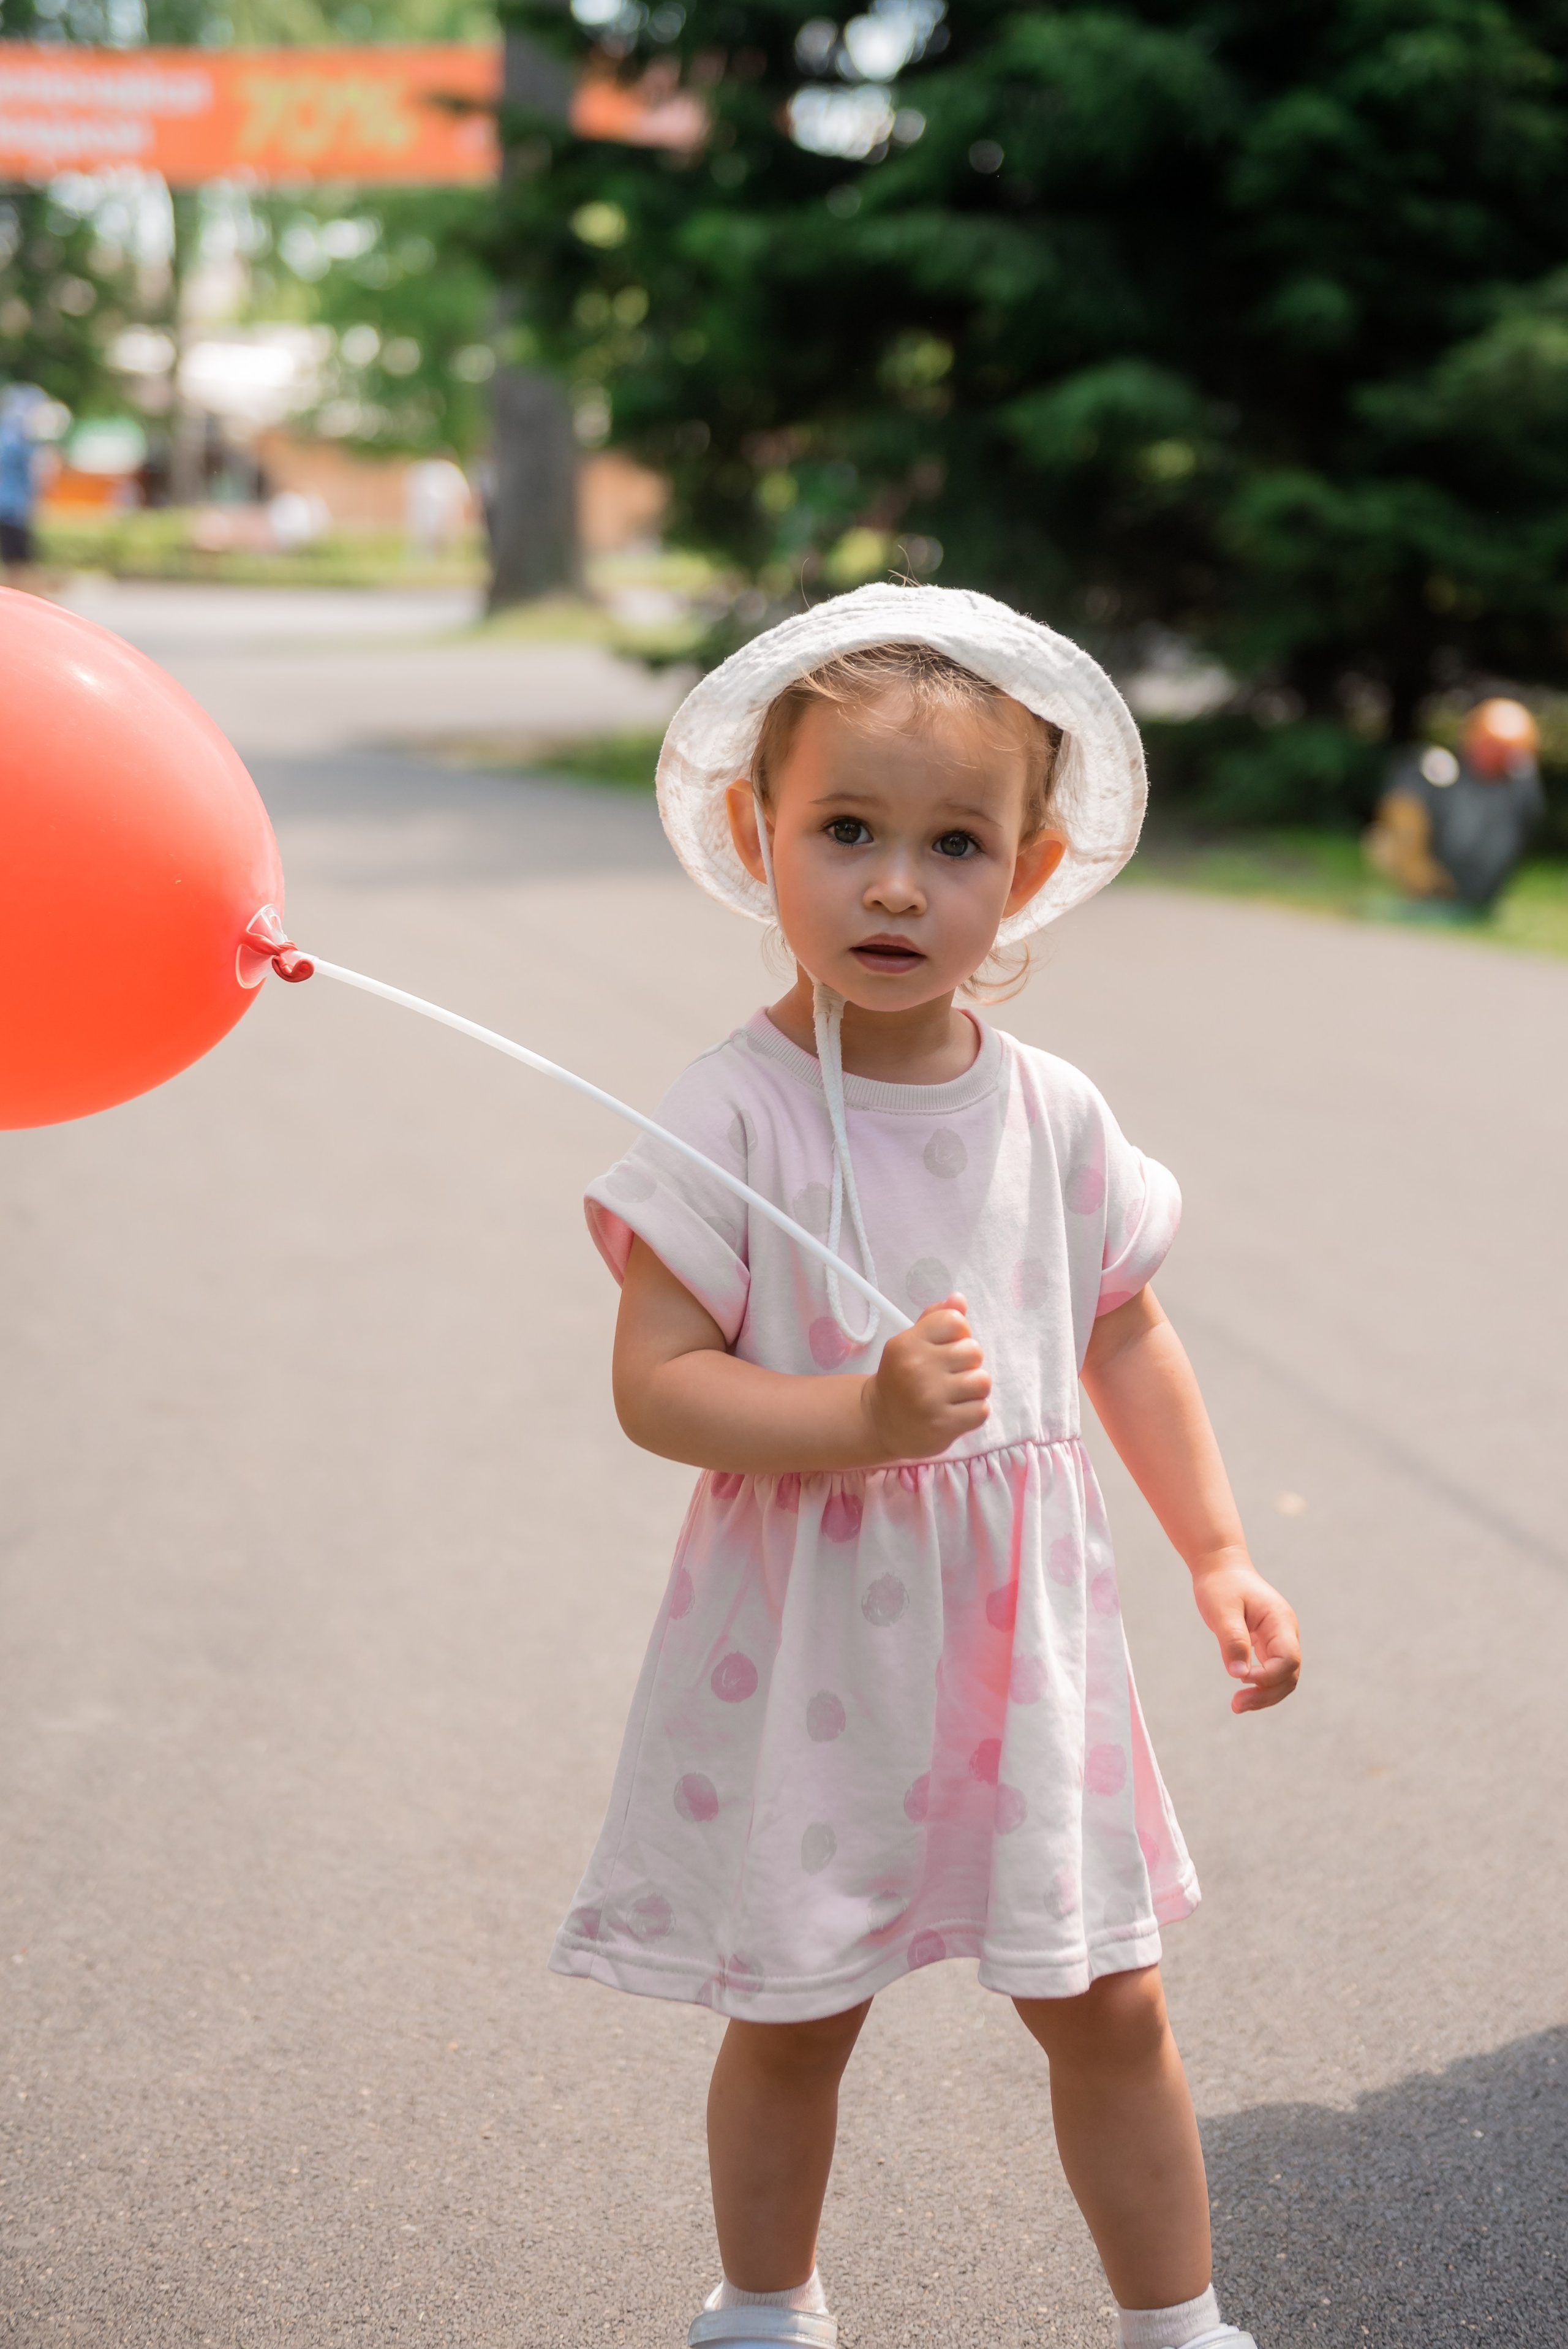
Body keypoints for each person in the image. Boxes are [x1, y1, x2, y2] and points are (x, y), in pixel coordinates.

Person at [551, 584, 1301, 2349]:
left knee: (1111, 1997)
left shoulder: (1054, 1113)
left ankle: (1177, 2321)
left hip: (1021, 1650)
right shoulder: (732, 1116)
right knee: (800, 2003)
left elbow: (1123, 1328)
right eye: (847, 831)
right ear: (761, 837)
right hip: (820, 1641)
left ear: (1028, 873)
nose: (897, 884)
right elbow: (658, 1385)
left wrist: (1214, 1547)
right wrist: (857, 1421)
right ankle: (763, 2300)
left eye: (954, 842)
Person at [1364, 698, 1544, 911]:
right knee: (1387, 830)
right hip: (1434, 877)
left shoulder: (1519, 791)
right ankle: (1425, 893)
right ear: (1472, 736)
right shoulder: (1442, 771)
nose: (1499, 753)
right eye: (1492, 743)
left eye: (1511, 749)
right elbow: (1401, 804)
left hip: (1479, 892)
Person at [0, 383, 42, 577]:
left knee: (15, 561)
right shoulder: (18, 437)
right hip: (14, 509)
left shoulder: (8, 432)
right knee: (19, 564)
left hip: (10, 508)